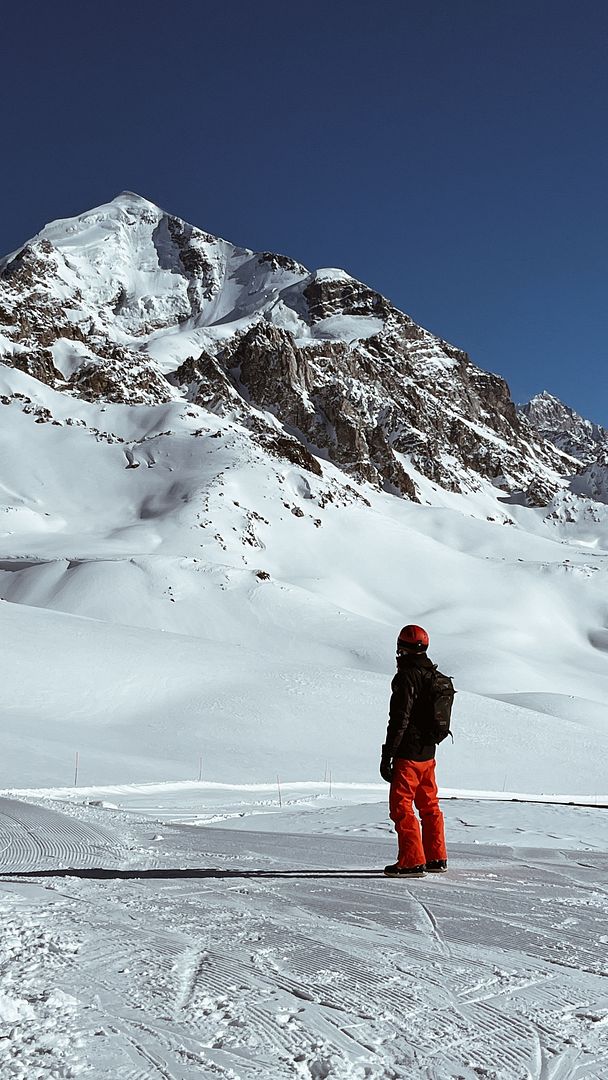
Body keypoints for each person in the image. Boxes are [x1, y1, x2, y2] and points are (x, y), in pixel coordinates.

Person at [380, 624, 448, 878]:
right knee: (429, 805)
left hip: (408, 753)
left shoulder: (407, 676)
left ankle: (411, 861)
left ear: (402, 648)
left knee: (402, 806)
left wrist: (388, 754)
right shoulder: (432, 674)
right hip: (428, 753)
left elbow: (399, 719)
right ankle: (436, 857)